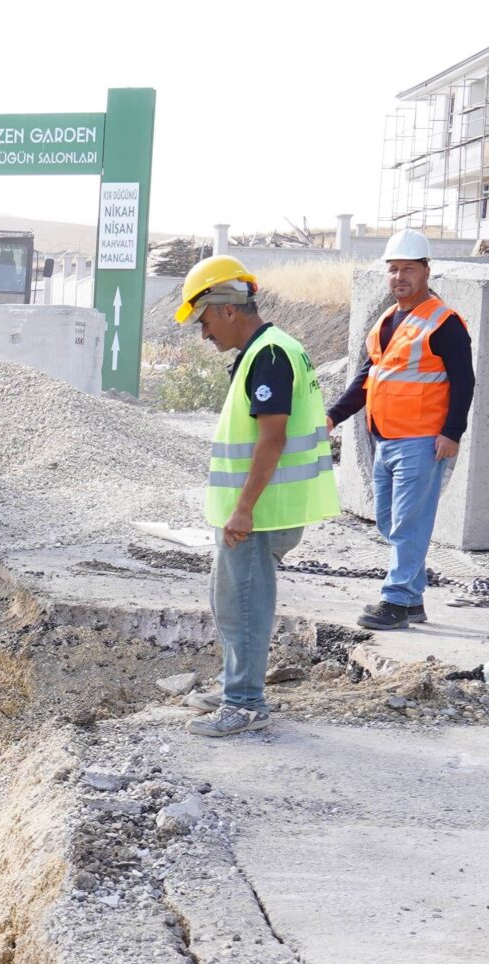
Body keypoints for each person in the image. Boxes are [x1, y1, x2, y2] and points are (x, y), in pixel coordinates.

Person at [175, 255, 341, 738]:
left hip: (262, 510)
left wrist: (244, 508)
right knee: (228, 597)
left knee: (244, 602)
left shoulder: (269, 354)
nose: (204, 334)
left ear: (227, 309)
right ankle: (234, 683)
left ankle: (244, 701)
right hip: (259, 507)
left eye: (204, 321)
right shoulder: (269, 350)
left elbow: (272, 438)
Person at [327, 230, 475, 632]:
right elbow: (368, 375)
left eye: (408, 269)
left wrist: (452, 432)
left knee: (409, 521)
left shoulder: (444, 322)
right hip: (385, 439)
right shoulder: (387, 321)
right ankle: (413, 600)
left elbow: (464, 380)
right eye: (393, 269)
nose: (399, 277)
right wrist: (333, 416)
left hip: (423, 440)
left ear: (427, 270)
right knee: (389, 521)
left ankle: (395, 600)